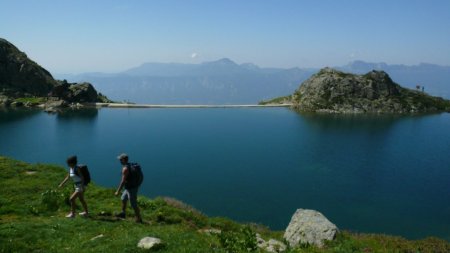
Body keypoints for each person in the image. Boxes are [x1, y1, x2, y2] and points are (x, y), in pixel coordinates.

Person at [115, 153, 143, 223]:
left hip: (132, 188)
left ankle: (139, 218)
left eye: (120, 160)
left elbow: (123, 181)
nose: (120, 161)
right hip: (129, 187)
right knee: (123, 199)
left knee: (133, 204)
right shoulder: (130, 165)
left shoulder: (125, 169)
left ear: (124, 160)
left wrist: (118, 191)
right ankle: (123, 213)